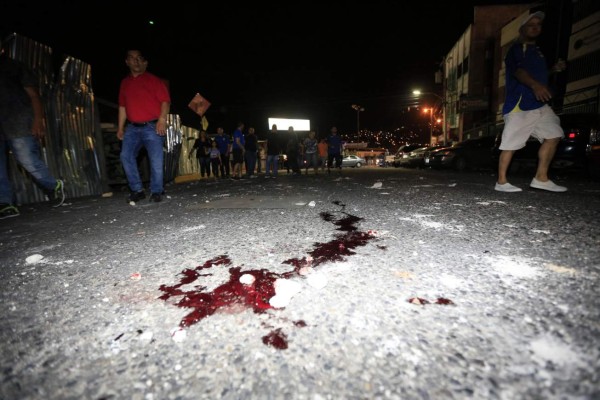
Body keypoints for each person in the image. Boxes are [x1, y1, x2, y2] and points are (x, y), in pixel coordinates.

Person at [495, 11, 567, 193]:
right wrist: (535, 86)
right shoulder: (518, 49)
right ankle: (501, 182)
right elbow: (519, 72)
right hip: (520, 104)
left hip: (540, 104)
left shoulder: (537, 52)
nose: (535, 28)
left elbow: (538, 75)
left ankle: (541, 178)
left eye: (538, 25)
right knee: (511, 144)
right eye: (531, 25)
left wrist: (553, 70)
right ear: (522, 29)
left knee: (554, 135)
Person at [0, 40, 65, 219]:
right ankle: (5, 203)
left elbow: (34, 95)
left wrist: (38, 119)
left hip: (18, 121)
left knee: (27, 160)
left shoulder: (15, 67)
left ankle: (54, 185)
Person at [117, 48, 170, 203]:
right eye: (132, 58)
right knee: (125, 156)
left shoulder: (153, 80)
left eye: (139, 58)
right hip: (132, 128)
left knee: (155, 159)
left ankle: (156, 191)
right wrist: (120, 127)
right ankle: (137, 189)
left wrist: (162, 119)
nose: (136, 60)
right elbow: (122, 107)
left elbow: (165, 101)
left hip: (152, 126)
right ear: (127, 62)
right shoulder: (124, 83)